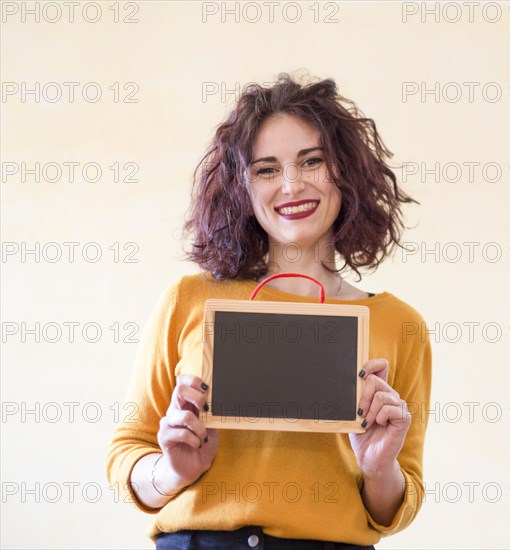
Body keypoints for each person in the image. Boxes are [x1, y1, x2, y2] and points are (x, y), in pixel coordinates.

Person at [106, 73, 432, 550]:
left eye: (312, 161)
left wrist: (379, 467)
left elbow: (397, 506)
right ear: (242, 188)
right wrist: (171, 469)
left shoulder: (400, 325)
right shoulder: (189, 300)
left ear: (346, 173)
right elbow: (125, 455)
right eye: (265, 168)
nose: (291, 184)